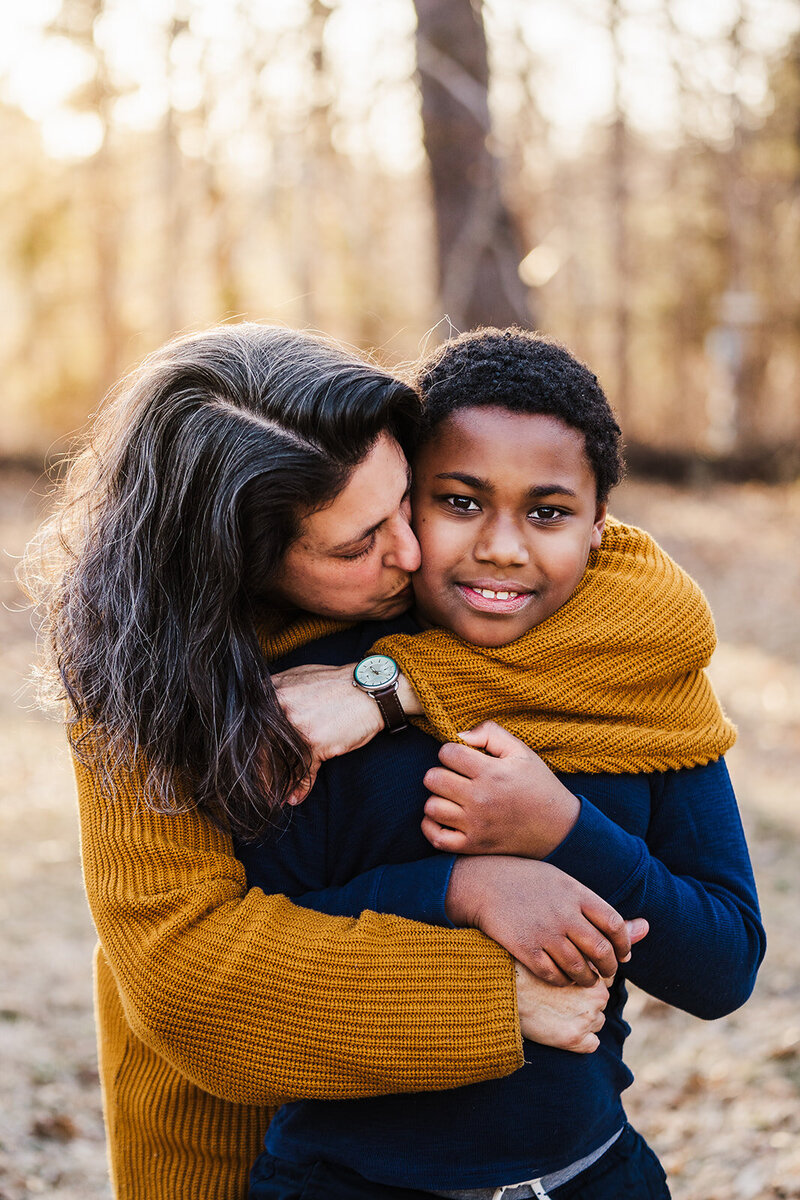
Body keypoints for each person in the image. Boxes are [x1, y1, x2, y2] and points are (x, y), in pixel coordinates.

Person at [24, 323, 643, 1200]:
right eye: (357, 545)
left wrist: (391, 683)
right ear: (233, 561)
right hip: (217, 1140)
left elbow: (654, 606)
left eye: (408, 501)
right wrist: (496, 997)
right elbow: (186, 977)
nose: (416, 551)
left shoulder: (437, 565)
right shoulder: (132, 676)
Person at [239, 328, 766, 1199]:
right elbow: (267, 938)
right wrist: (466, 887)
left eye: (549, 513)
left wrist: (562, 830)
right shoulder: (321, 696)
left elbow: (722, 965)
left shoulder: (636, 692)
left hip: (589, 1173)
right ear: (405, 500)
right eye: (460, 501)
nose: (503, 547)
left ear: (602, 526)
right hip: (342, 1179)